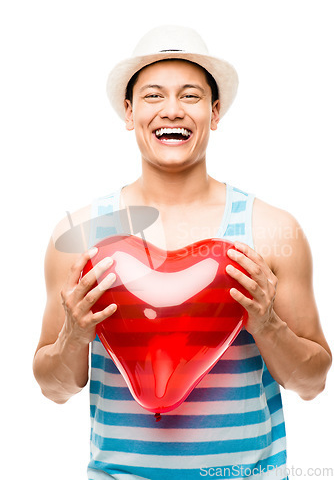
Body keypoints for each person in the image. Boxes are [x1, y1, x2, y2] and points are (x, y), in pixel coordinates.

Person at [33, 25, 332, 480]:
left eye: (190, 96)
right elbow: (52, 388)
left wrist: (267, 323)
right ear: (129, 112)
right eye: (153, 96)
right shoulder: (81, 237)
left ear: (215, 113)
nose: (172, 110)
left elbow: (311, 383)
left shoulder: (270, 230)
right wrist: (74, 335)